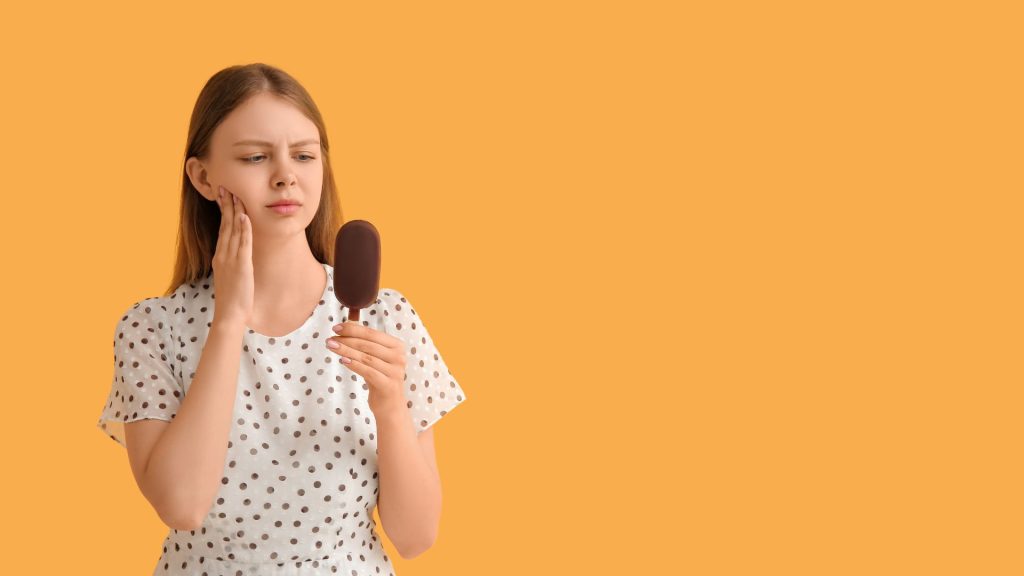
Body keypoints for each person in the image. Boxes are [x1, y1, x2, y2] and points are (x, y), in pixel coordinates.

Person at [96, 63, 467, 575]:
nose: (285, 175)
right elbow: (182, 506)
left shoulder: (389, 318)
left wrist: (390, 406)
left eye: (304, 155)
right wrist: (228, 321)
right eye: (255, 156)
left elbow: (416, 537)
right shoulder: (152, 329)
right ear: (203, 177)